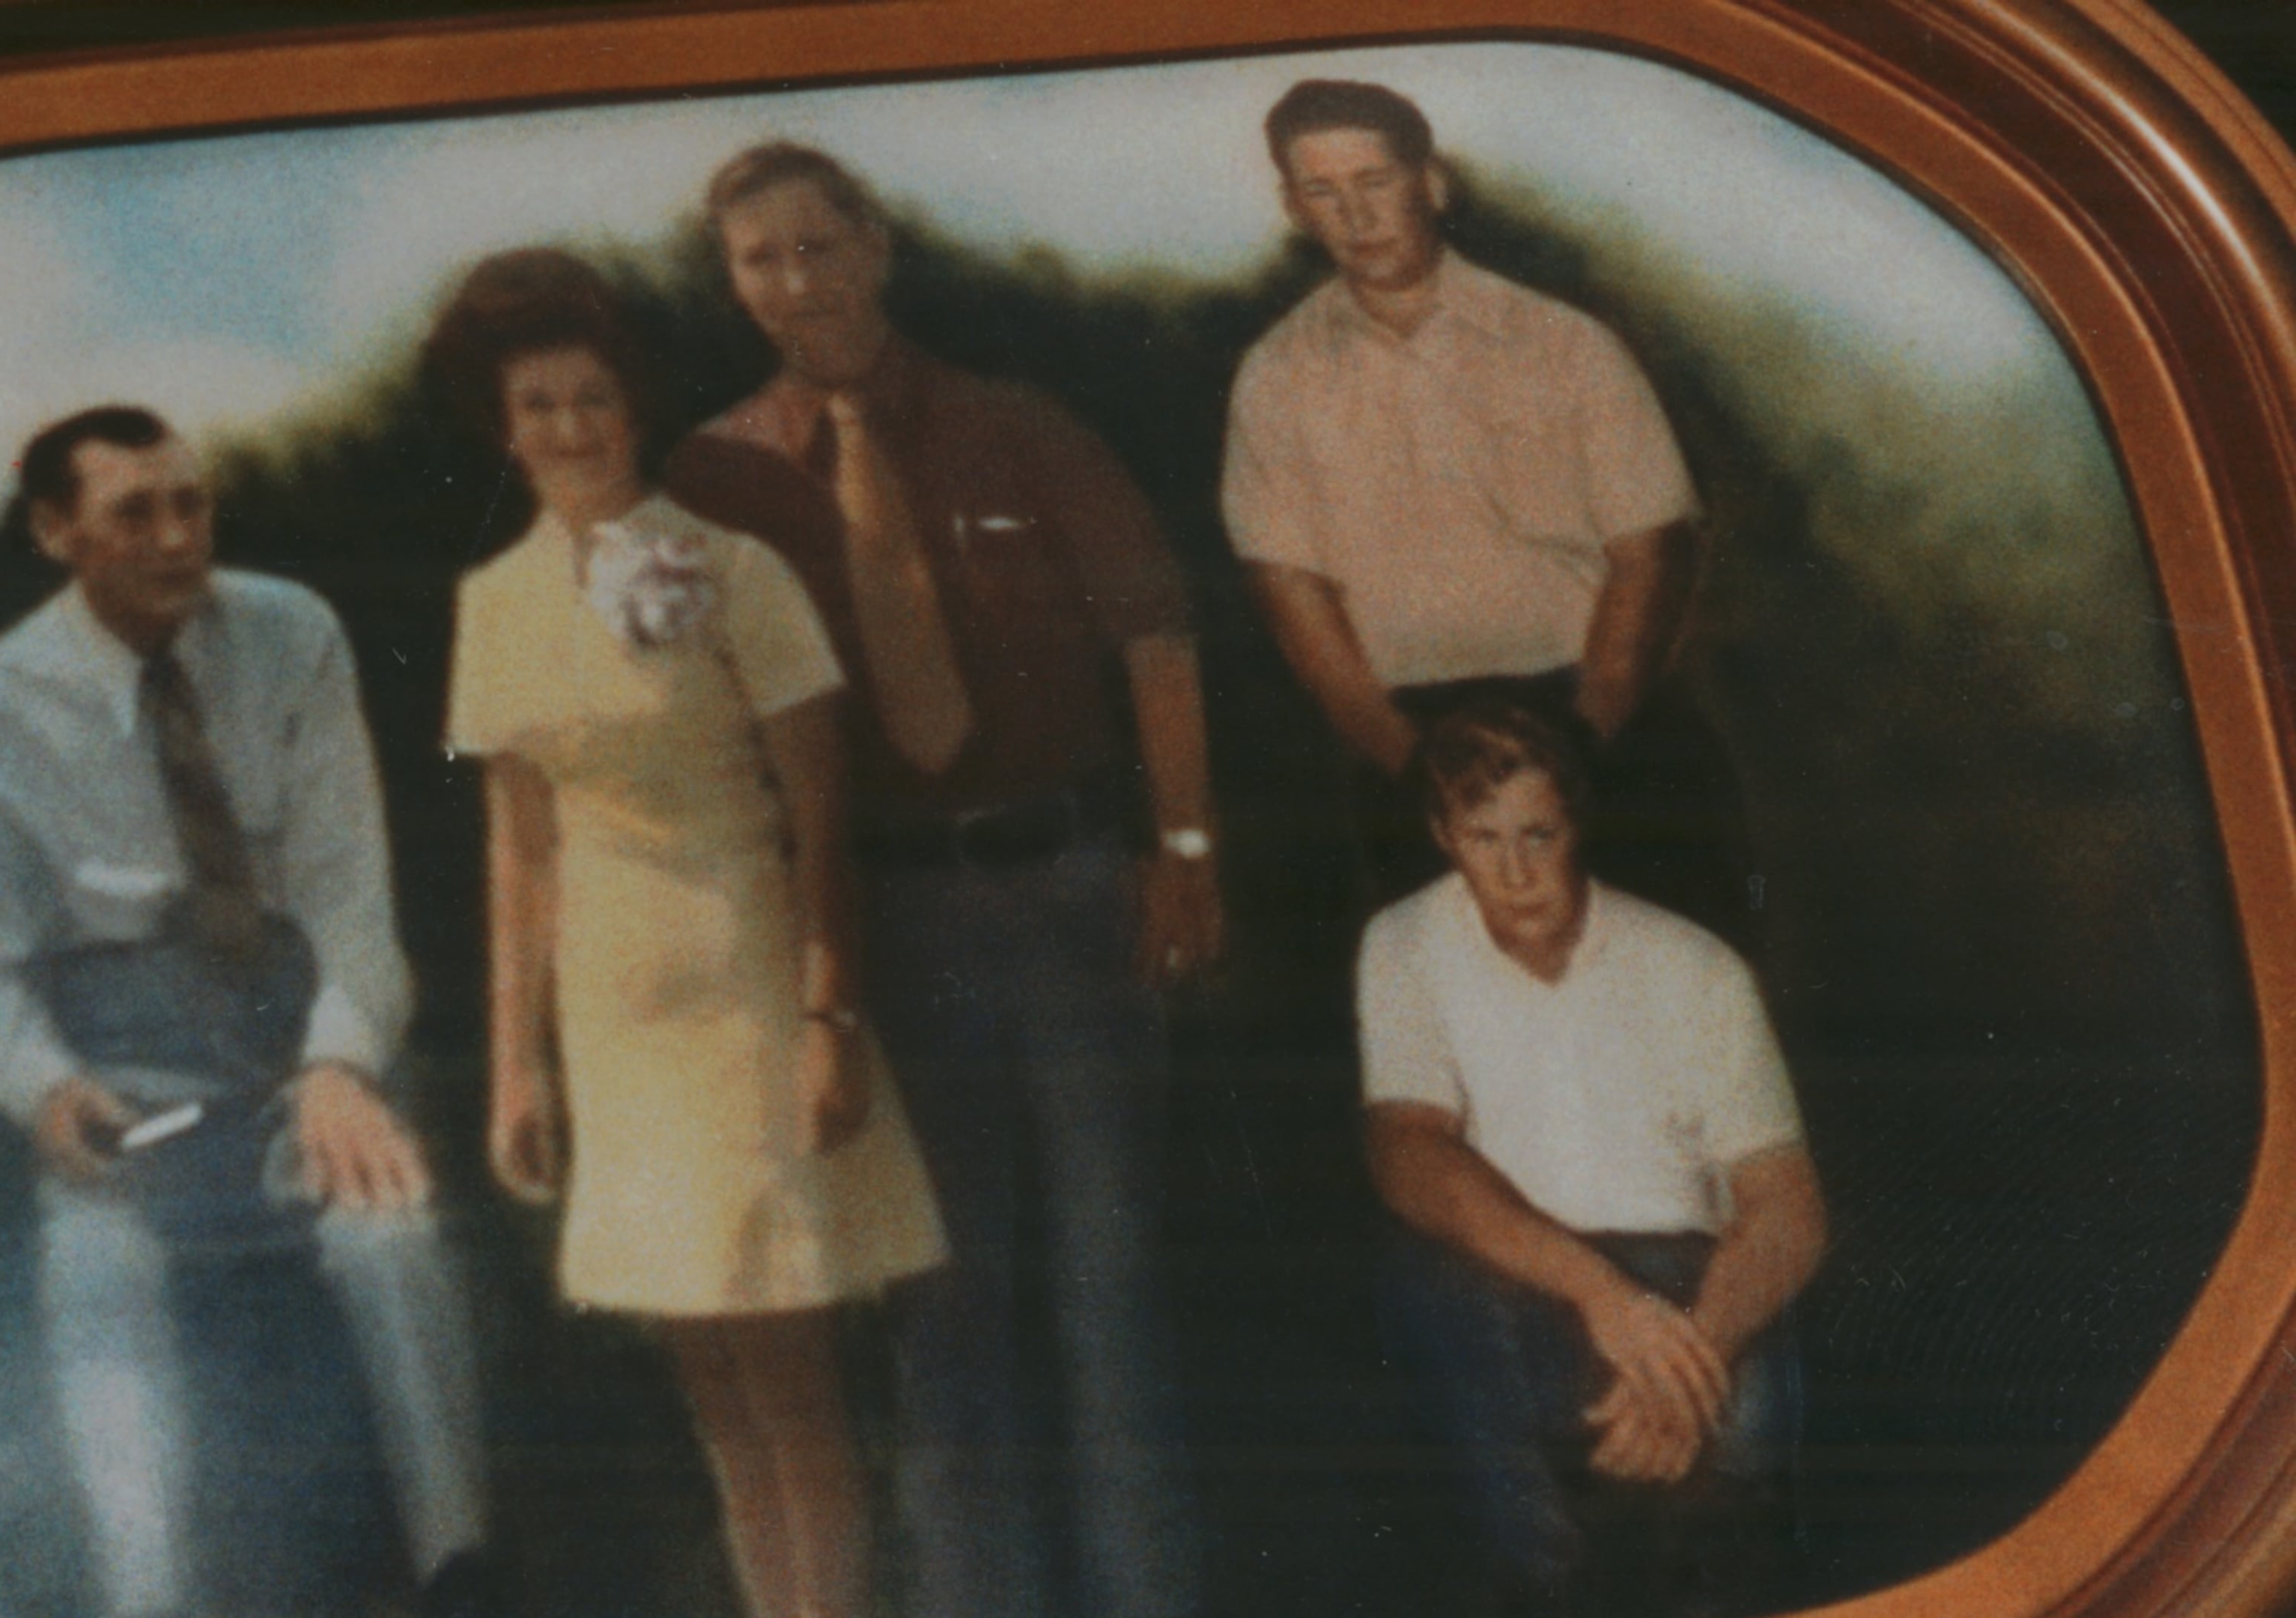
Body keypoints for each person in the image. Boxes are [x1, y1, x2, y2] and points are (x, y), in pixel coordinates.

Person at [666, 142, 1224, 1618]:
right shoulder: (711, 480)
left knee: (1115, 1301)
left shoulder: (1016, 428)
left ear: (877, 244)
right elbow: (690, 732)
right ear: (734, 287)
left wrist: (1182, 853)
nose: (798, 283)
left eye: (818, 245)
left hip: (1072, 895)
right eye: (761, 261)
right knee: (941, 1316)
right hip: (888, 931)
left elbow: (1159, 643)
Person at [0, 405, 495, 1618]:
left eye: (193, 505)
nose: (177, 539)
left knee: (393, 1237)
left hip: (292, 1053)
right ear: (58, 531)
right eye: (134, 513)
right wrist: (48, 1091)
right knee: (101, 1282)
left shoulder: (291, 634)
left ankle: (464, 1572)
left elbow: (348, 896)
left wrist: (336, 1067)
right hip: (130, 1084)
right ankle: (147, 1598)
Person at [435, 248, 945, 1618]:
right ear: (504, 427)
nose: (569, 429)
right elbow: (519, 853)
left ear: (634, 406)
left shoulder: (737, 570)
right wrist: (517, 1070)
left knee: (789, 1379)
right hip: (613, 1025)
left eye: (592, 398)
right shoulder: (492, 602)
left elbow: (820, 819)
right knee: (710, 1385)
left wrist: (829, 1019)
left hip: (749, 1001)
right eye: (538, 406)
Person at [1223, 79, 1751, 944]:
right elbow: (1288, 587)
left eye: (1376, 181)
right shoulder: (1277, 376)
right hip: (1420, 747)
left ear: (1430, 182)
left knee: (1671, 1011)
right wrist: (1410, 763)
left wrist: (1583, 747)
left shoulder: (1565, 344)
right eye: (1323, 191)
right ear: (1293, 205)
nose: (1356, 215)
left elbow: (1652, 550)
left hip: (1605, 724)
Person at [1359, 700, 1826, 1616]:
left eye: (1540, 832)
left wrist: (1694, 1355)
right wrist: (1603, 1298)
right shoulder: (1404, 943)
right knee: (1428, 1284)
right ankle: (1552, 1584)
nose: (1518, 868)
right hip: (1525, 1277)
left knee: (1746, 1423)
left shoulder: (1695, 966)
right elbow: (1407, 1156)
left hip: (1690, 1280)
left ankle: (1698, 1543)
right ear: (1443, 833)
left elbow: (1790, 1209)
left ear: (1577, 823)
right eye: (1485, 837)